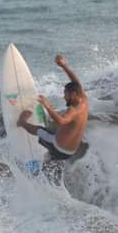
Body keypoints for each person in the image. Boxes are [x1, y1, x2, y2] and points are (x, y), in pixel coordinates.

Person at [17, 54, 89, 183]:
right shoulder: (83, 99)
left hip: (59, 148)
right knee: (54, 137)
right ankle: (48, 165)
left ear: (73, 94)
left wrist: (47, 106)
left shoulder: (73, 110)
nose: (63, 97)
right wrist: (64, 65)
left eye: (65, 94)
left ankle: (21, 122)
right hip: (71, 151)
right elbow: (76, 82)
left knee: (40, 131)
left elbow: (62, 121)